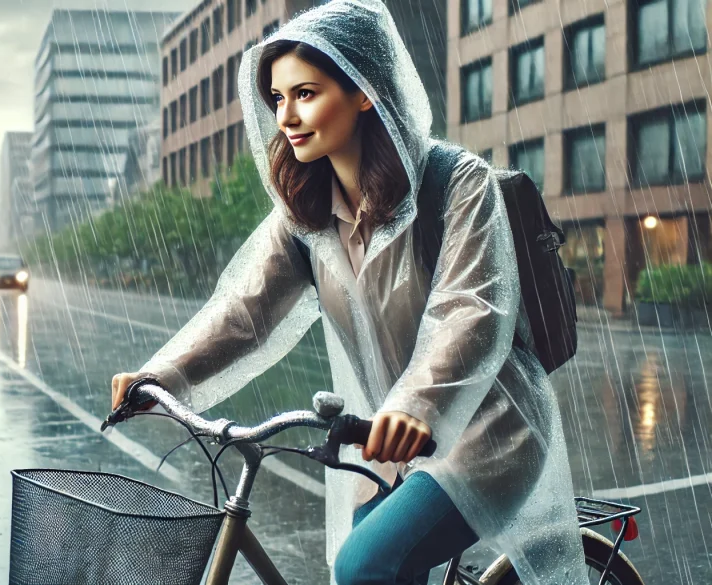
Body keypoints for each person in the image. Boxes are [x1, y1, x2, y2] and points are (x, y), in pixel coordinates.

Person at [111, 1, 588, 584]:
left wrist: (416, 406)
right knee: (371, 566)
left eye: (305, 93)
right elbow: (245, 312)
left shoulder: (456, 184)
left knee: (361, 565)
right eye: (278, 99)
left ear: (364, 91)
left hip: (490, 433)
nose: (286, 116)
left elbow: (470, 311)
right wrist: (161, 375)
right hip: (389, 445)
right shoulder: (307, 219)